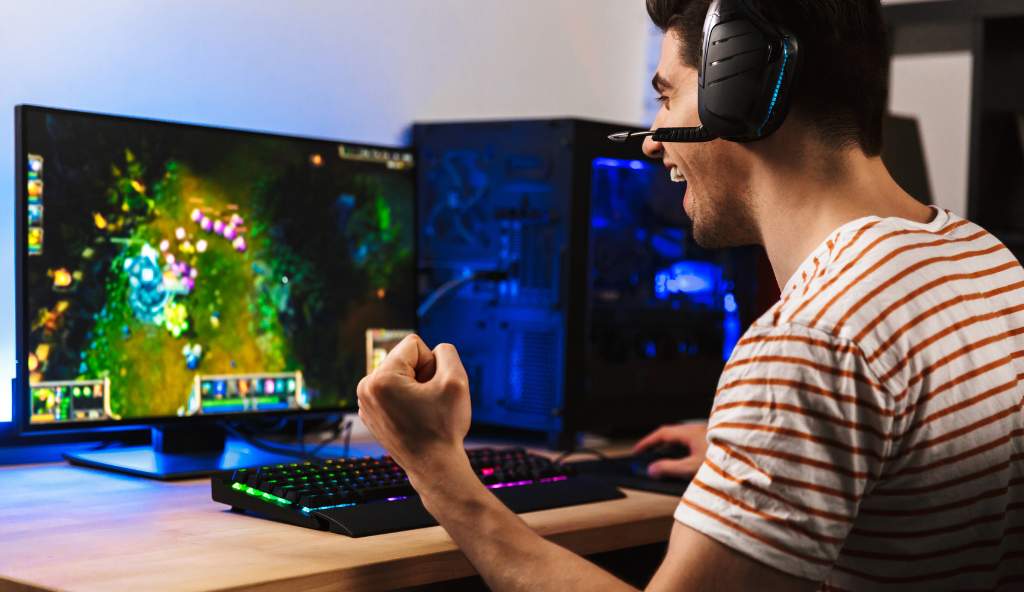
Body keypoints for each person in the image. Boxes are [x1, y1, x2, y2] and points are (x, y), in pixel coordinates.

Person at [356, 1, 1024, 589]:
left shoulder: (811, 342)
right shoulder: (984, 261)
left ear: (744, 89)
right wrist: (764, 451)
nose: (650, 140)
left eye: (666, 96)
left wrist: (438, 469)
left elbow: (820, 368)